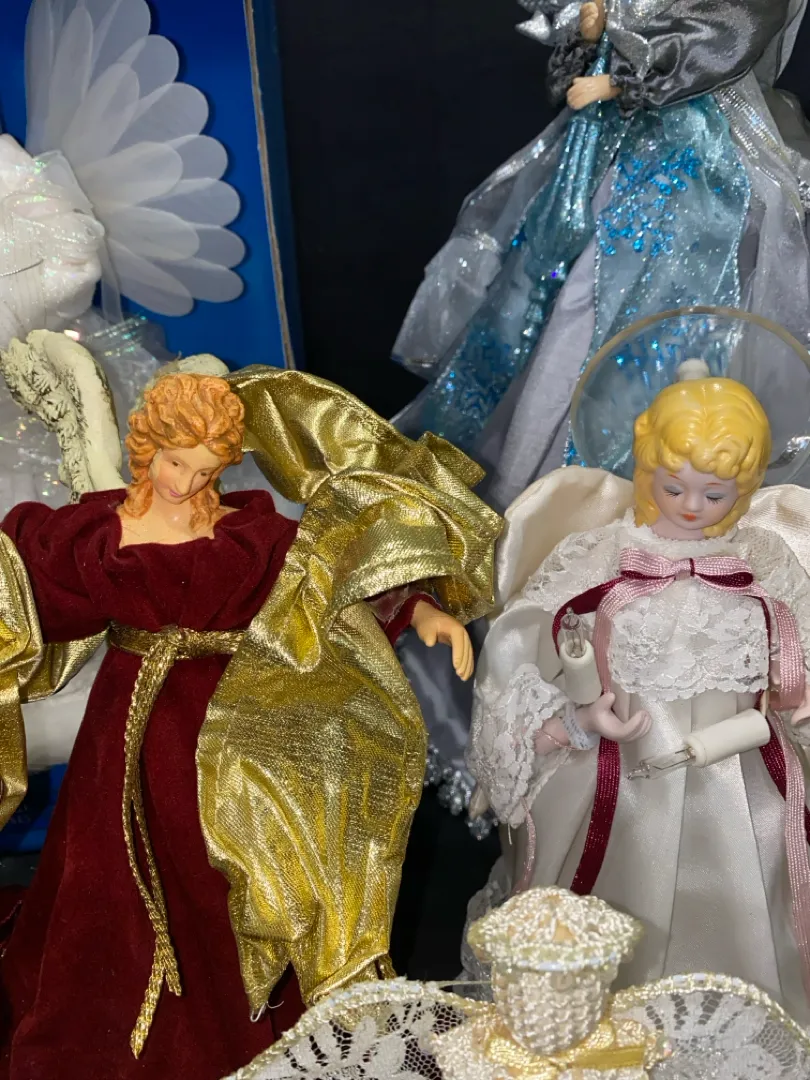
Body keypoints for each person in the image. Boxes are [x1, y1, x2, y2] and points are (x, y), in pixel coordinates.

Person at [0, 361, 500, 1079]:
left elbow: (327, 582)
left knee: (233, 870)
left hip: (230, 726)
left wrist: (420, 611)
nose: (184, 483)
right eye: (174, 463)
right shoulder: (101, 531)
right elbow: (27, 585)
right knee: (109, 874)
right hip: (128, 731)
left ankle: (251, 1024)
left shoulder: (249, 536)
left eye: (205, 471)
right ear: (148, 448)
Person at [467, 370, 810, 1023]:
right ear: (647, 468)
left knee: (752, 895)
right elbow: (530, 641)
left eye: (715, 494)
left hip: (741, 779)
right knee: (613, 899)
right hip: (622, 774)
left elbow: (796, 637)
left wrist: (798, 689)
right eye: (673, 487)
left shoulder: (763, 559)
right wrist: (574, 716)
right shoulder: (603, 554)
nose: (691, 506)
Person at [392, 0, 810, 511]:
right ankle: (530, 483)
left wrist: (620, 82)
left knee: (658, 317)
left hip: (693, 163)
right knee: (566, 297)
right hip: (614, 146)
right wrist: (592, 37)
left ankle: (619, 492)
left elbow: (726, 34)